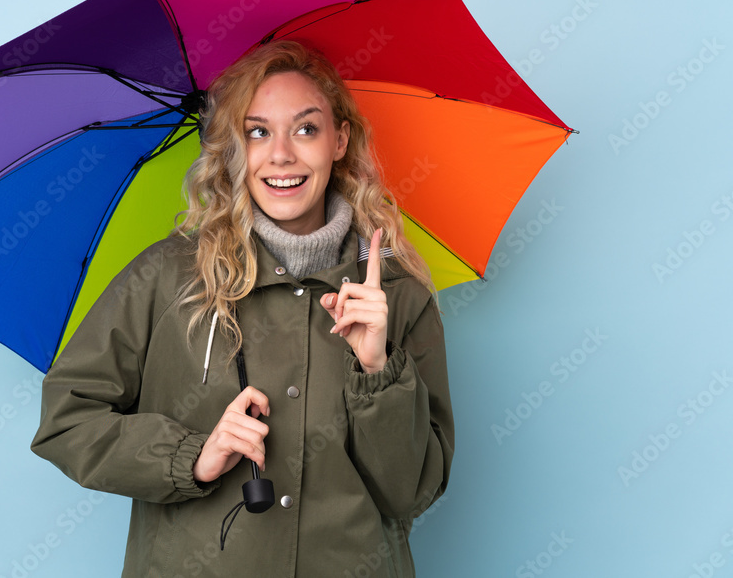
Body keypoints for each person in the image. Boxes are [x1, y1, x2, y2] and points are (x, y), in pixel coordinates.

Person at [31, 40, 454, 577]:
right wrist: (190, 456)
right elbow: (67, 420)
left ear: (339, 140)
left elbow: (411, 492)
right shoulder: (166, 277)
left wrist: (377, 372)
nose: (281, 154)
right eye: (257, 132)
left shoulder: (397, 295)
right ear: (234, 148)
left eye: (306, 129)